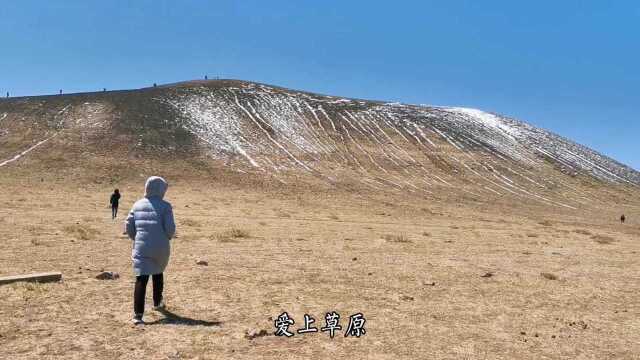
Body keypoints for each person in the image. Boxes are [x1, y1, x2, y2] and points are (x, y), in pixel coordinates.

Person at [125, 176, 176, 325]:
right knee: (158, 272)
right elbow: (170, 229)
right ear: (160, 189)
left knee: (141, 278)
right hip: (160, 247)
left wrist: (137, 238)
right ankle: (157, 302)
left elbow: (128, 225)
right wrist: (166, 237)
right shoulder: (166, 206)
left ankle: (138, 315)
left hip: (142, 247)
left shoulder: (137, 204)